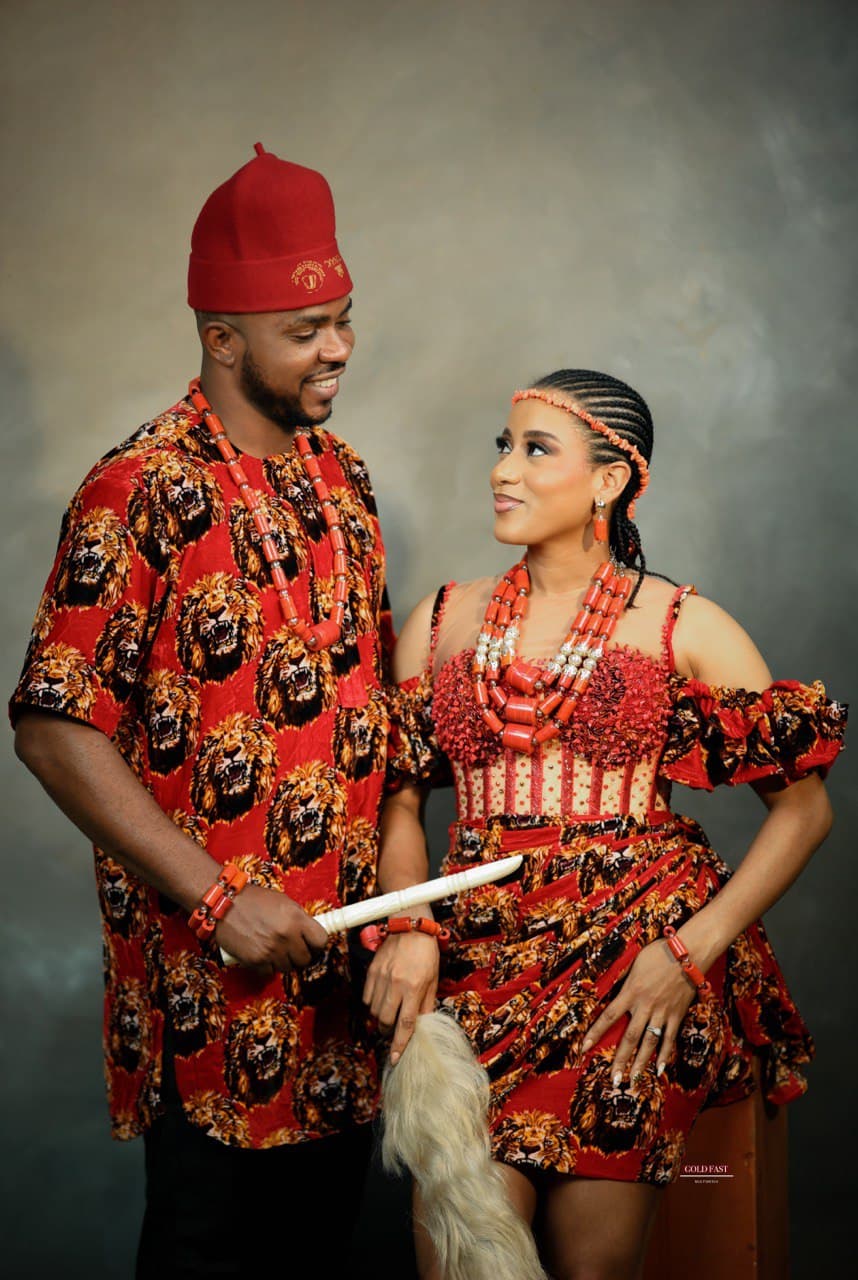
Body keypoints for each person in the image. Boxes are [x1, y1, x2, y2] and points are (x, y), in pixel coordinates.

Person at [365, 369, 847, 1280]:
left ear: (610, 479)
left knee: (593, 1269)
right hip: (473, 966)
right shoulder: (440, 620)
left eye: (536, 449)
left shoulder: (681, 624)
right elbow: (398, 798)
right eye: (502, 446)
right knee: (465, 1261)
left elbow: (805, 812)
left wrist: (688, 954)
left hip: (631, 972)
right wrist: (407, 925)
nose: (504, 470)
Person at [11, 142, 394, 1277]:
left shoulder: (347, 480)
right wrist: (218, 897)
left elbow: (384, 714)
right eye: (306, 330)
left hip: (345, 1001)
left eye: (344, 317)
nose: (339, 350)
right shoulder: (139, 489)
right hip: (214, 1008)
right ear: (222, 339)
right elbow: (51, 724)